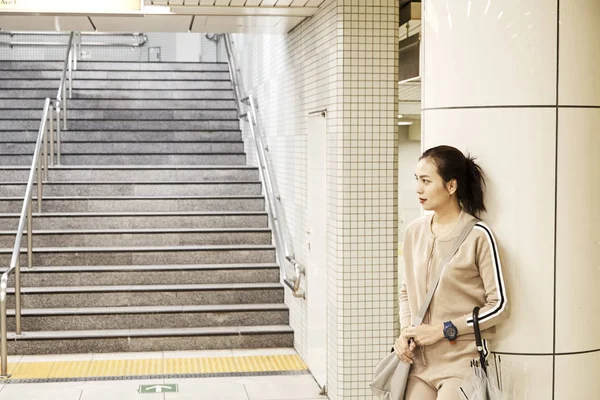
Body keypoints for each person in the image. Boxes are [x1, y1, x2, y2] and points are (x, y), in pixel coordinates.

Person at [395, 145, 508, 399]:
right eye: (417, 180)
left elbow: (499, 305)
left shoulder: (479, 235)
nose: (418, 189)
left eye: (426, 181)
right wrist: (406, 332)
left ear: (451, 186)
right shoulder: (414, 232)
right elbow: (406, 292)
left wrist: (443, 330)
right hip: (419, 363)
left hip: (461, 363)